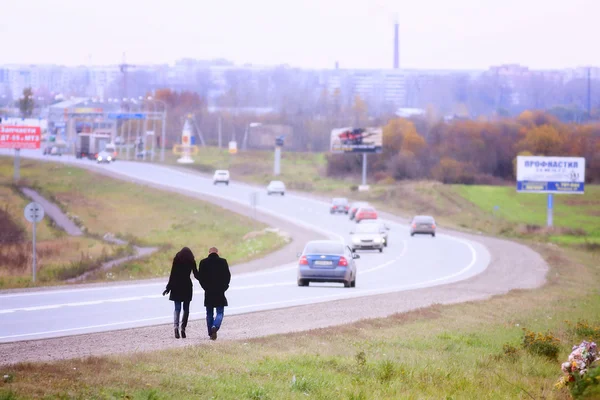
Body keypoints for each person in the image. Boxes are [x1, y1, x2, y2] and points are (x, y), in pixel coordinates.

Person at [163, 247, 198, 339]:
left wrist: (168, 288)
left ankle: (176, 328)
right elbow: (196, 274)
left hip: (176, 286)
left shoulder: (177, 259)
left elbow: (172, 274)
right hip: (187, 286)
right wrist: (205, 280)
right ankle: (183, 328)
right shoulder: (191, 260)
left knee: (177, 308)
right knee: (186, 309)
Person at [197, 247, 231, 340]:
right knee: (220, 312)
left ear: (209, 252)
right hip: (220, 291)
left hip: (208, 291)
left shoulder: (203, 262)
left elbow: (201, 278)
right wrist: (225, 287)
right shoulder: (223, 261)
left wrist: (205, 287)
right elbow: (227, 276)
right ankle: (215, 327)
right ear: (217, 252)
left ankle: (210, 333)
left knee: (209, 313)